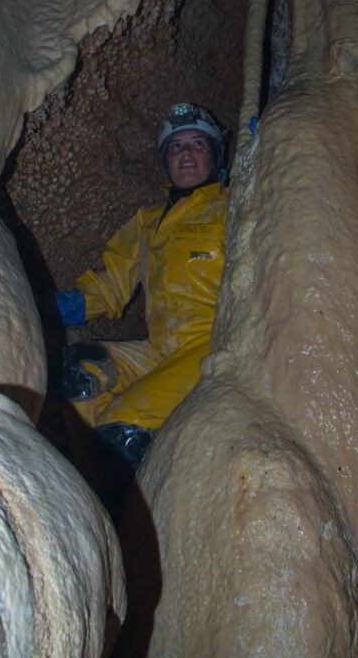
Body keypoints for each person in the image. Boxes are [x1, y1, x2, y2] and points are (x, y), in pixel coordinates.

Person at [54, 102, 229, 475]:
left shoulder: (234, 205)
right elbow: (112, 281)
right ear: (165, 161)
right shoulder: (148, 220)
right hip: (158, 350)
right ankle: (91, 485)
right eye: (176, 146)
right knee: (77, 369)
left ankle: (119, 489)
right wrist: (66, 306)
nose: (186, 153)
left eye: (198, 144)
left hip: (210, 346)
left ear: (215, 155)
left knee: (122, 427)